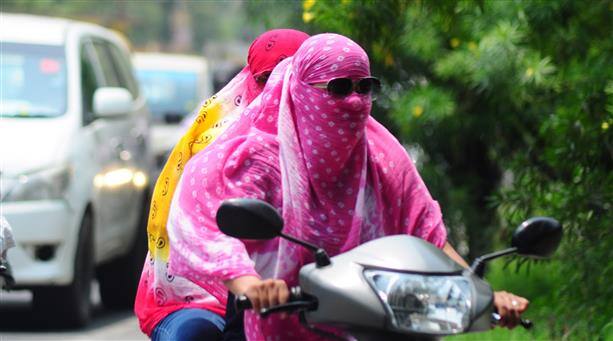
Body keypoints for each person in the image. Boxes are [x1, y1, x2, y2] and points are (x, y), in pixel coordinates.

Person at [164, 33, 529, 340]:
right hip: (272, 315)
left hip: (372, 319)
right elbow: (207, 219)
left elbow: (426, 232)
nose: (354, 100)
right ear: (302, 90)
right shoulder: (260, 156)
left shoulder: (382, 156)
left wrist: (481, 293)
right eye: (338, 88)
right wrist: (250, 285)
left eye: (364, 87)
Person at [134, 28, 310, 341]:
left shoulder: (339, 142)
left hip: (310, 295)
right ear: (249, 78)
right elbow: (201, 228)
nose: (278, 90)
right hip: (204, 296)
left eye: (292, 79)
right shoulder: (215, 145)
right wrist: (246, 282)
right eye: (268, 78)